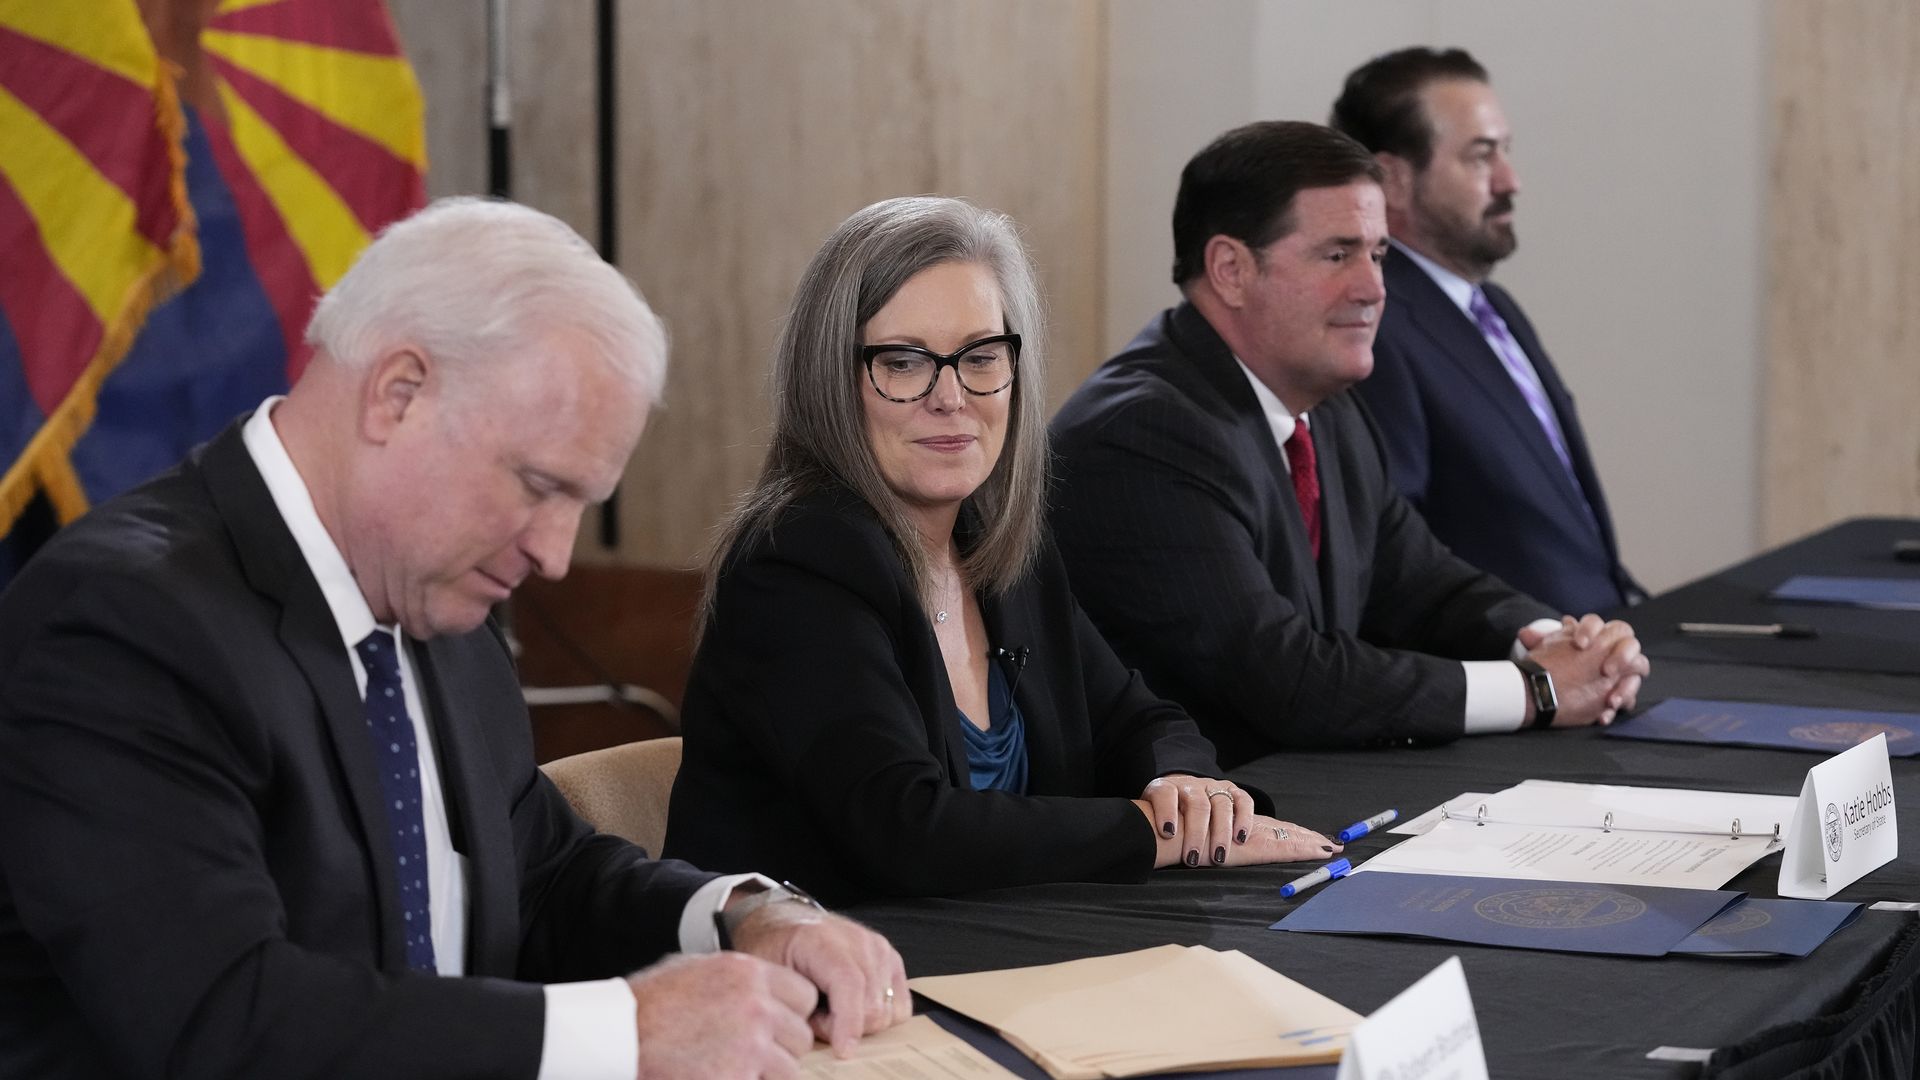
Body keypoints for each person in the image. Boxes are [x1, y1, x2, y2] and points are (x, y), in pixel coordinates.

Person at [0, 197, 907, 1080]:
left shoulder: (433, 592)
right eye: (537, 486)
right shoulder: (122, 623)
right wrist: (629, 1034)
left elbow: (541, 874)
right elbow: (222, 1019)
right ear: (398, 394)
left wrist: (744, 915)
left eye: (578, 506)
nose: (553, 555)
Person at [664, 196, 1340, 905]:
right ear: (831, 380)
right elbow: (910, 830)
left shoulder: (999, 544)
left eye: (981, 357)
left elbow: (1138, 719)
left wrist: (1182, 785)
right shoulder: (796, 565)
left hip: (991, 956)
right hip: (819, 985)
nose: (951, 396)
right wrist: (1156, 833)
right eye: (903, 362)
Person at [1049, 122, 1648, 765]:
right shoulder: (1143, 435)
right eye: (1338, 255)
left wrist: (1558, 643)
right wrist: (1537, 689)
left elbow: (1424, 586)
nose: (1373, 288)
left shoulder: (1328, 407)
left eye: (1379, 254)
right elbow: (1285, 680)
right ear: (1230, 269)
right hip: (1180, 833)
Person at [1330, 47, 1642, 614]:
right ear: (1392, 180)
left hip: (1593, 655)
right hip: (1517, 674)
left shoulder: (1494, 307)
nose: (1510, 180)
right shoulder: (1374, 326)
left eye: (1506, 151)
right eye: (1480, 157)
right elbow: (1397, 563)